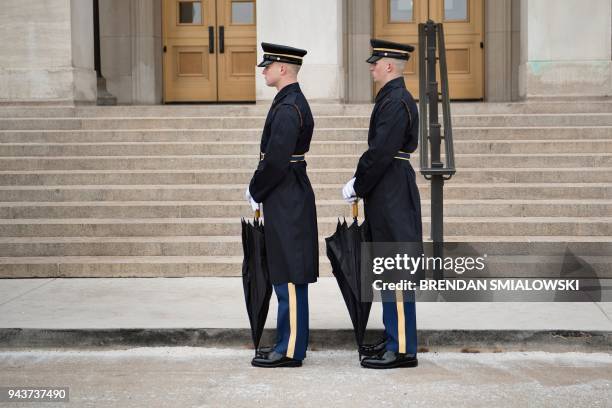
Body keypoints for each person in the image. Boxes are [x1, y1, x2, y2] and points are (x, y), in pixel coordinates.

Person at [341, 38, 421, 369]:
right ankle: (393, 337)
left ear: (389, 65)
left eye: (376, 62)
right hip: (387, 187)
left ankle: (402, 348)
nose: (372, 67)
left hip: (391, 189)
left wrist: (359, 183)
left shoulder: (396, 100)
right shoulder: (391, 98)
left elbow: (381, 152)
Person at [246, 42, 318, 368]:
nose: (264, 70)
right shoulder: (288, 102)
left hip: (286, 193)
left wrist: (256, 189)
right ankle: (287, 344)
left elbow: (276, 161)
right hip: (286, 192)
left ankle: (289, 350)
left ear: (283, 69)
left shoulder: (290, 108)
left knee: (288, 273)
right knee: (287, 273)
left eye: (268, 66)